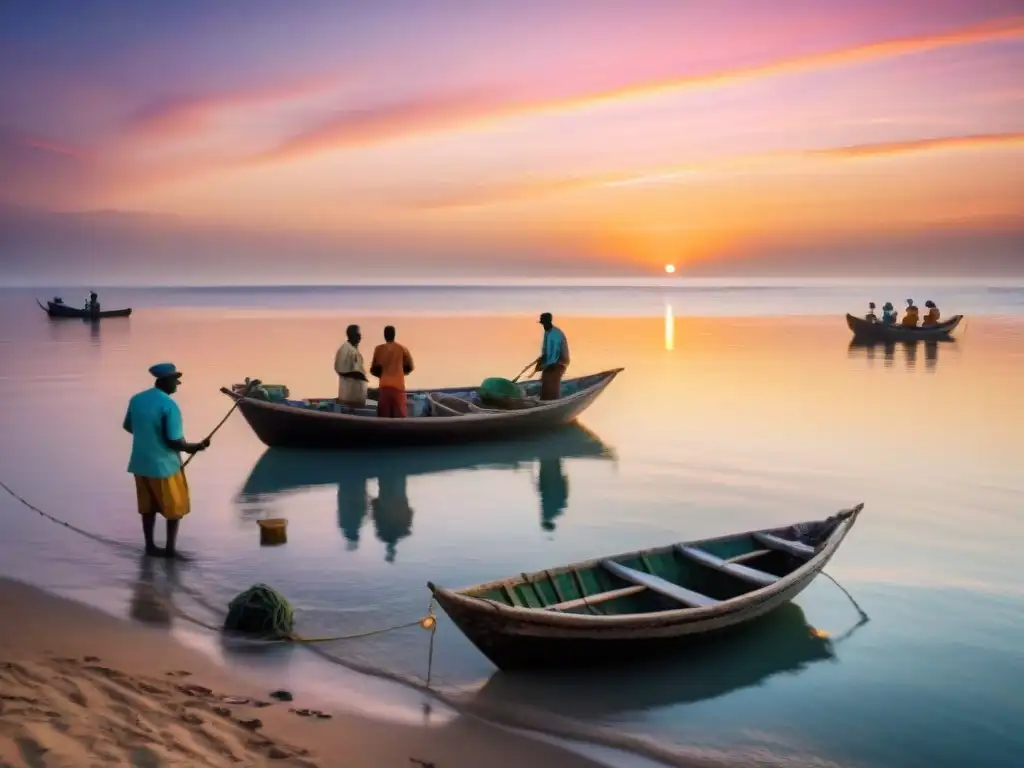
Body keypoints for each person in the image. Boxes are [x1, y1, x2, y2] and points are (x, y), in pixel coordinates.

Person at [122, 363, 209, 558]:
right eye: (175, 379)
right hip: (164, 466)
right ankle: (170, 550)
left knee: (148, 508)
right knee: (174, 508)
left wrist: (149, 437)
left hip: (140, 462)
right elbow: (174, 441)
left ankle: (150, 547)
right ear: (165, 381)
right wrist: (196, 447)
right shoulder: (169, 405)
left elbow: (129, 426)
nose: (178, 383)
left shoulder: (136, 399)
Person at [370, 325, 414, 418]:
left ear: (384, 336)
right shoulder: (402, 349)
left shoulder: (378, 349)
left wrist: (383, 375)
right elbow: (410, 367)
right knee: (400, 417)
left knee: (383, 417)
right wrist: (401, 372)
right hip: (398, 387)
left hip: (384, 386)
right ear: (394, 335)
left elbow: (373, 369)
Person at [534, 312, 570, 401]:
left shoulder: (555, 334)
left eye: (544, 323)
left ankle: (553, 400)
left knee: (551, 380)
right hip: (551, 362)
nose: (543, 325)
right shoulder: (547, 332)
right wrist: (541, 360)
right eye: (542, 323)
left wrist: (543, 366)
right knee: (544, 379)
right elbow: (546, 351)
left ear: (549, 322)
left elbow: (554, 356)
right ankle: (544, 400)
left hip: (559, 362)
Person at [334, 324, 368, 409]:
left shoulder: (355, 349)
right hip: (348, 396)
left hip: (357, 397)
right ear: (351, 335)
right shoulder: (345, 349)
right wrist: (357, 374)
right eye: (358, 334)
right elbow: (340, 369)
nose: (360, 336)